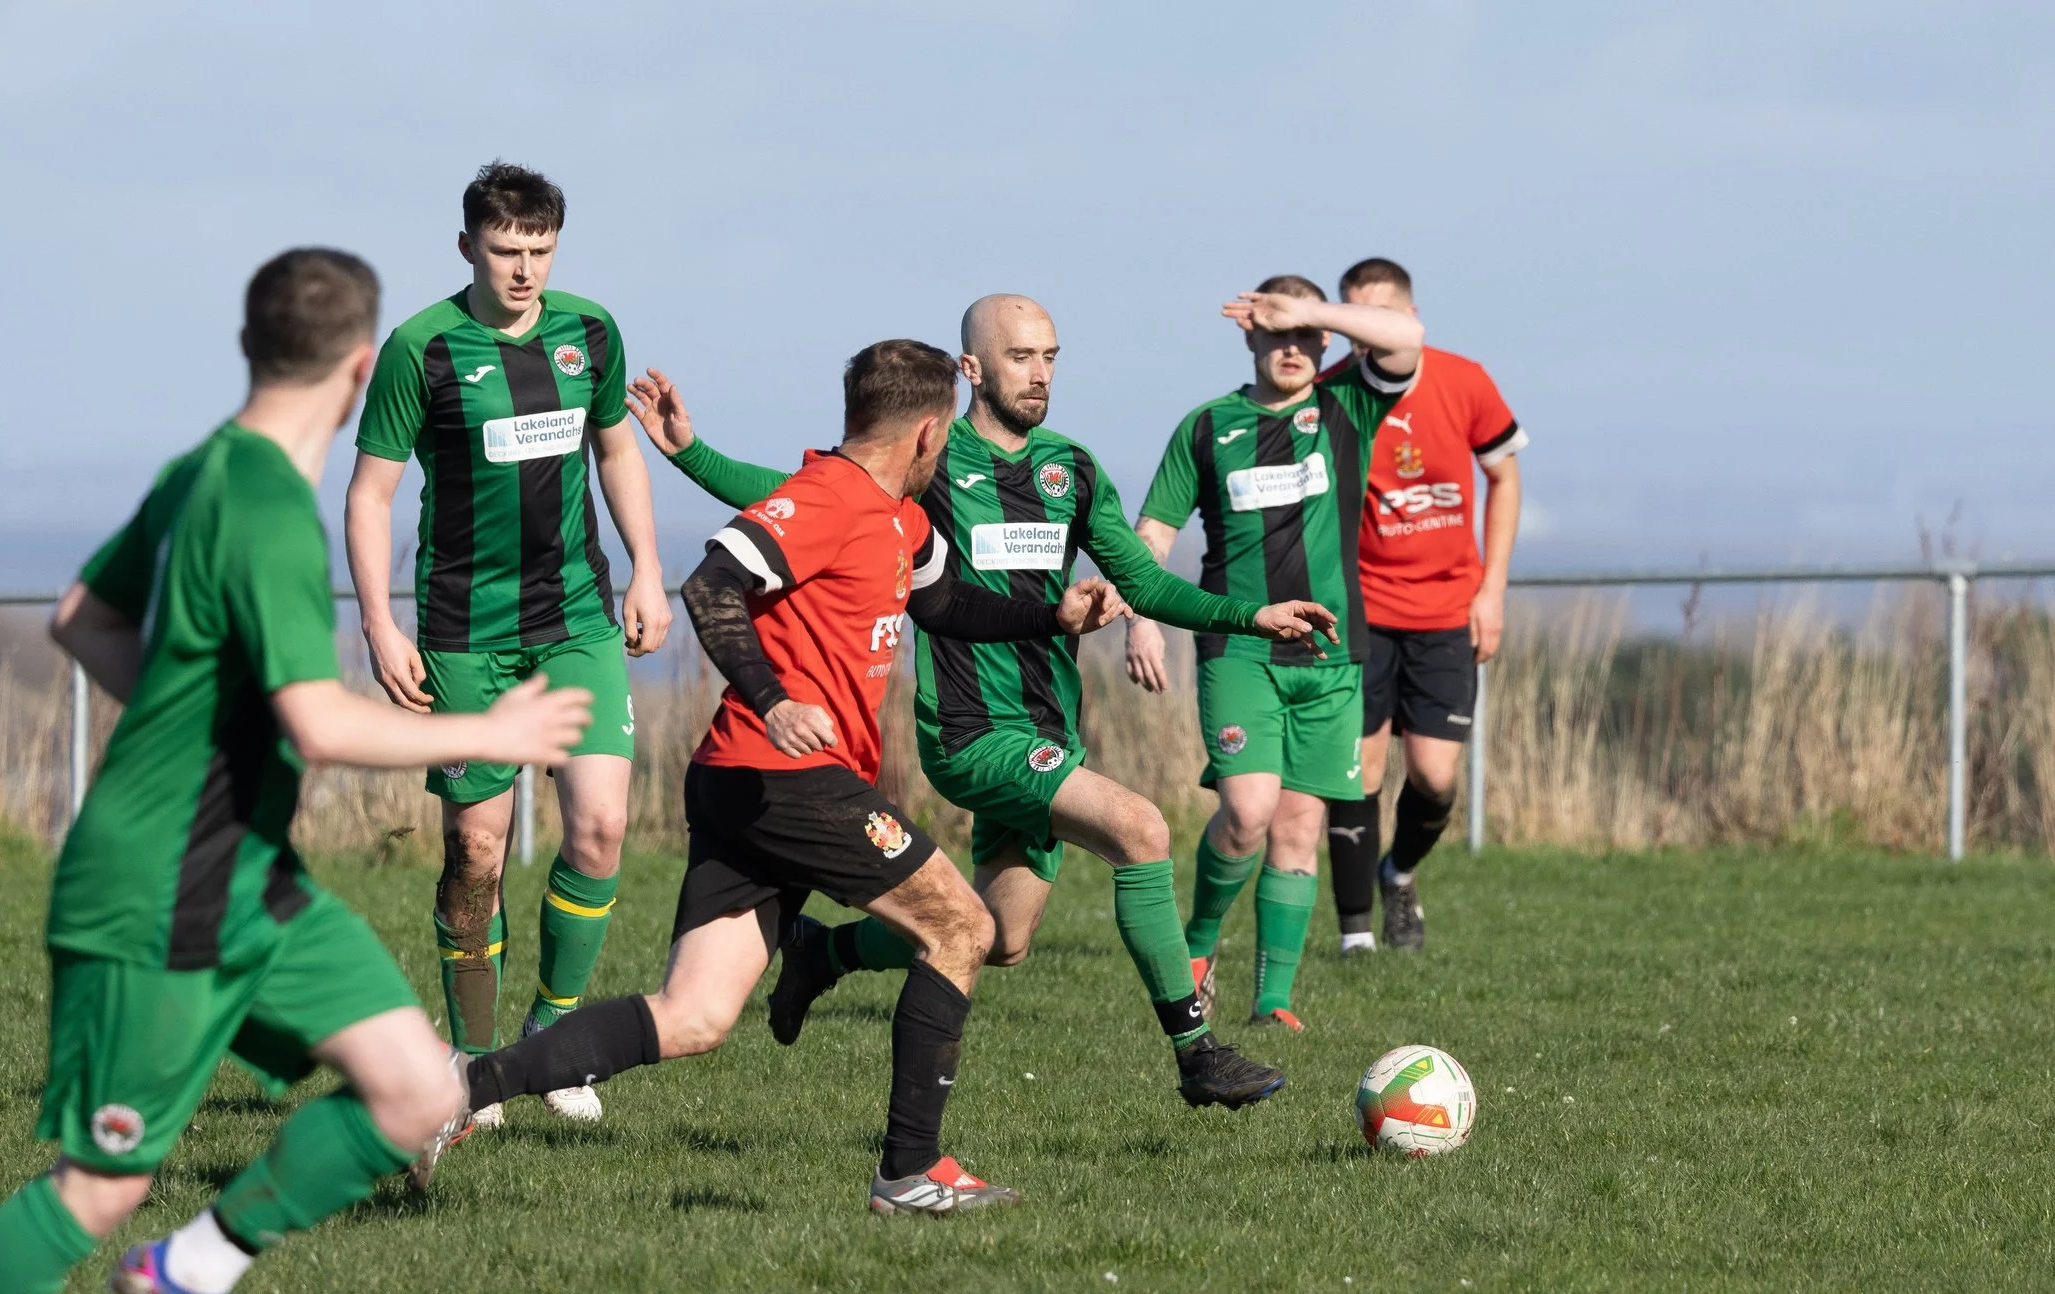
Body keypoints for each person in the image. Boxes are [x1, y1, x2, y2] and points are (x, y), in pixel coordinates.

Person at [0, 249, 593, 1294]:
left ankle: (192, 1272)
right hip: (159, 887)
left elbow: (80, 616)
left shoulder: (202, 468)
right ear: (362, 370)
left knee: (418, 1093)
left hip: (246, 868)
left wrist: (193, 726)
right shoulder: (256, 508)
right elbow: (318, 722)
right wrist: (492, 735)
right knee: (102, 1180)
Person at [462, 339, 1134, 1213]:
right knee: (963, 928)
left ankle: (456, 1093)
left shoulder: (902, 517)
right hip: (783, 772)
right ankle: (911, 1172)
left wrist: (1053, 611)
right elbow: (710, 588)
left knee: (696, 1015)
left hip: (749, 782)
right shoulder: (828, 497)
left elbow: (943, 606)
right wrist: (774, 699)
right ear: (931, 433)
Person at [629, 295, 1336, 1107]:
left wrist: (1253, 616)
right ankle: (1196, 1051)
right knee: (1141, 830)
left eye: (1051, 357)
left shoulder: (1070, 469)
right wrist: (691, 452)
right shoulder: (927, 461)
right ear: (971, 369)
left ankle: (822, 957)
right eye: (1021, 357)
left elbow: (1140, 581)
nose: (1040, 374)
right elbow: (792, 490)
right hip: (970, 732)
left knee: (999, 937)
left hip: (1049, 731)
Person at [345, 161, 671, 1128]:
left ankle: (555, 1046)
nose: (523, 270)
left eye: (539, 251)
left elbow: (616, 447)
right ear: (467, 248)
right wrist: (378, 621)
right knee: (476, 849)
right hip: (462, 629)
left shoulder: (591, 332)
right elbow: (370, 492)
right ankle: (474, 1061)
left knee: (602, 827)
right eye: (504, 251)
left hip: (575, 616)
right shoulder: (421, 349)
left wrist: (648, 569)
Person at [1122, 278, 1423, 1029]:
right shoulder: (1207, 427)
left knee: (1297, 828)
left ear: (1324, 343)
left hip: (1330, 659)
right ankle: (1197, 943)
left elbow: (1407, 339)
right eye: (1274, 331)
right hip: (1240, 650)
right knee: (1249, 813)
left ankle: (1273, 1004)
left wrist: (1311, 310)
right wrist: (1140, 617)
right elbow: (1153, 533)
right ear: (1248, 336)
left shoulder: (1347, 405)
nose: (1290, 348)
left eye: (1303, 336)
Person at [1317, 258, 1525, 952]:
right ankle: (1356, 940)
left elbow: (1504, 475)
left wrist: (1491, 589)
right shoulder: (1329, 392)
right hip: (1364, 612)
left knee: (1435, 778)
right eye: (1348, 315)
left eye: (1372, 315)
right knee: (1361, 770)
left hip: (1446, 613)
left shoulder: (1464, 380)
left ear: (1406, 318)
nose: (1359, 332)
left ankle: (1399, 873)